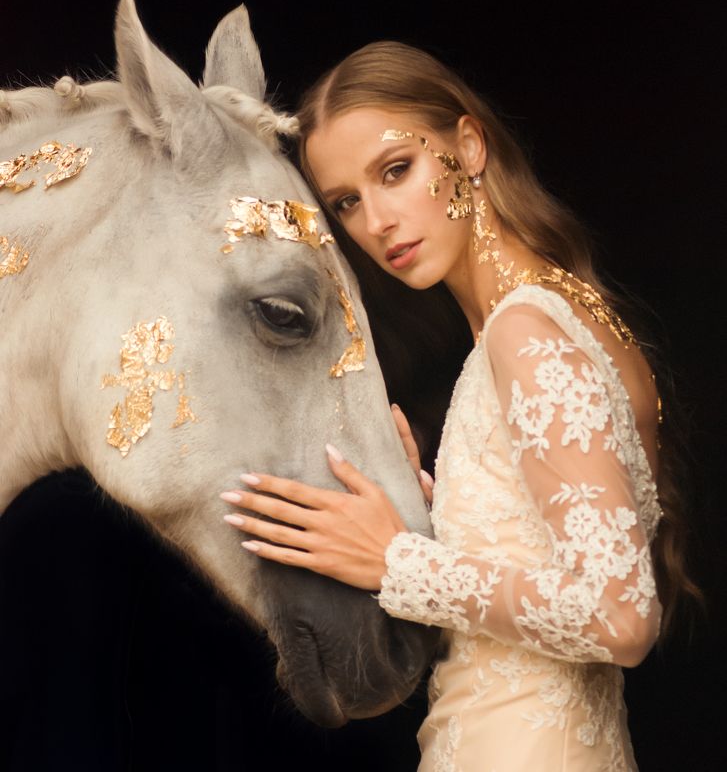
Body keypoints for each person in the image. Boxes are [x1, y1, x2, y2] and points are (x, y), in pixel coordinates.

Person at [219, 42, 697, 771]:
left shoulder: (524, 332)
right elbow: (540, 561)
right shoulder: (563, 313)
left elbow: (620, 617)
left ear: (468, 146)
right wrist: (426, 518)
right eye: (347, 201)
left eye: (395, 170)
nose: (377, 220)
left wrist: (396, 561)